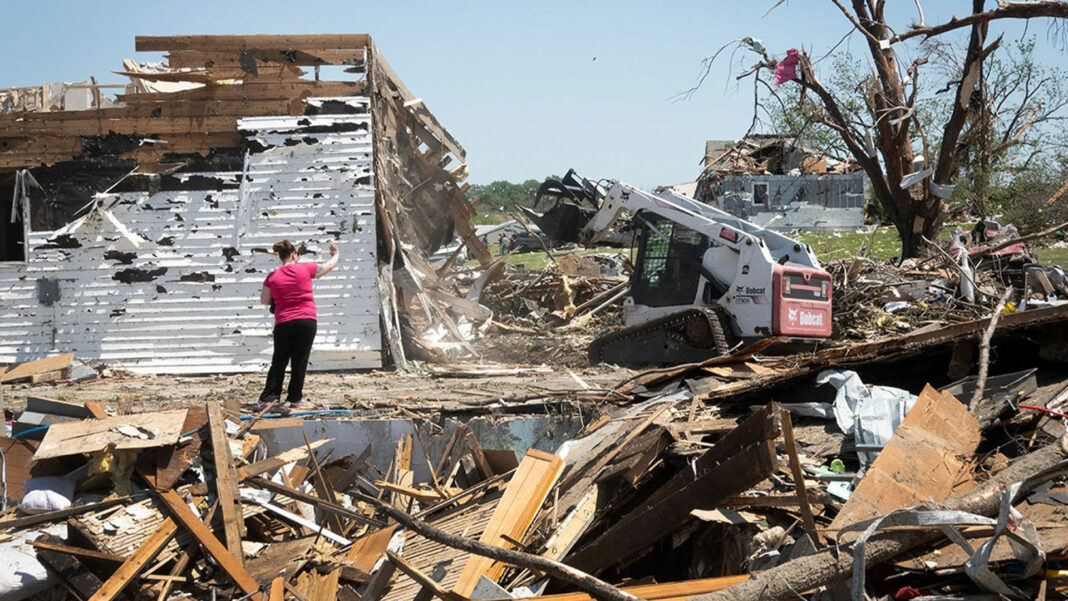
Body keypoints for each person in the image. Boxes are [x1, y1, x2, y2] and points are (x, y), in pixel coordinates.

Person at [259, 239, 339, 408]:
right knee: (300, 360)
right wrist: (336, 255)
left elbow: (264, 301)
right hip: (306, 321)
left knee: (279, 360)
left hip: (284, 322)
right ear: (294, 255)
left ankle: (269, 398)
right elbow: (328, 266)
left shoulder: (272, 276)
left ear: (280, 257)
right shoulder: (306, 268)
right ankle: (295, 398)